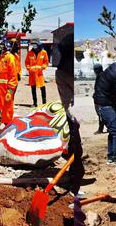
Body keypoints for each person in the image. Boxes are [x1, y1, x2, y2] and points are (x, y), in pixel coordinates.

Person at [54, 29, 84, 197]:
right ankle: (75, 187)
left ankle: (75, 183)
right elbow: (68, 101)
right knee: (75, 151)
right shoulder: (63, 73)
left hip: (74, 114)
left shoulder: (69, 71)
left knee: (76, 151)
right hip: (72, 115)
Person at [25, 41, 49, 107]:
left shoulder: (44, 52)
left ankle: (44, 103)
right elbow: (27, 62)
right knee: (33, 88)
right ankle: (35, 103)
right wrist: (29, 68)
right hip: (32, 74)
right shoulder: (30, 53)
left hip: (39, 74)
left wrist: (42, 67)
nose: (39, 49)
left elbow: (46, 62)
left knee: (43, 88)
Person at [93, 64, 105, 135]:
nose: (95, 71)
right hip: (98, 98)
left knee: (101, 114)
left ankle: (100, 129)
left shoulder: (101, 76)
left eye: (95, 69)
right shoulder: (101, 75)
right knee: (101, 114)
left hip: (100, 99)